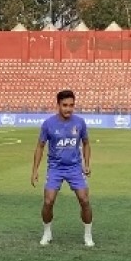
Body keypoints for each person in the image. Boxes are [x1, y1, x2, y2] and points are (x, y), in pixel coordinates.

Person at [30, 90, 93, 247]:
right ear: (58, 105)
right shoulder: (48, 124)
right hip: (55, 168)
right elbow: (40, 146)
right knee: (48, 201)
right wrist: (35, 170)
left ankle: (88, 235)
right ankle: (47, 232)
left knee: (84, 200)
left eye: (71, 105)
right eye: (65, 105)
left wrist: (87, 163)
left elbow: (86, 143)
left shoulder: (79, 123)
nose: (68, 109)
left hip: (75, 168)